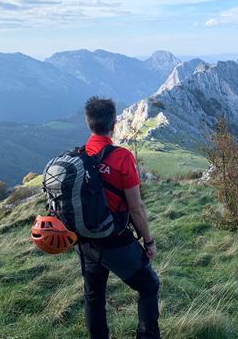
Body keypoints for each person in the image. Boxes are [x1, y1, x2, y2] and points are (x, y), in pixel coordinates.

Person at [77, 96, 160, 339]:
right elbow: (135, 208)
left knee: (94, 297)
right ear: (114, 123)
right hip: (114, 241)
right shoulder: (122, 157)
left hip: (85, 239)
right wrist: (148, 241)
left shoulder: (80, 156)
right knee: (149, 285)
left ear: (88, 123)